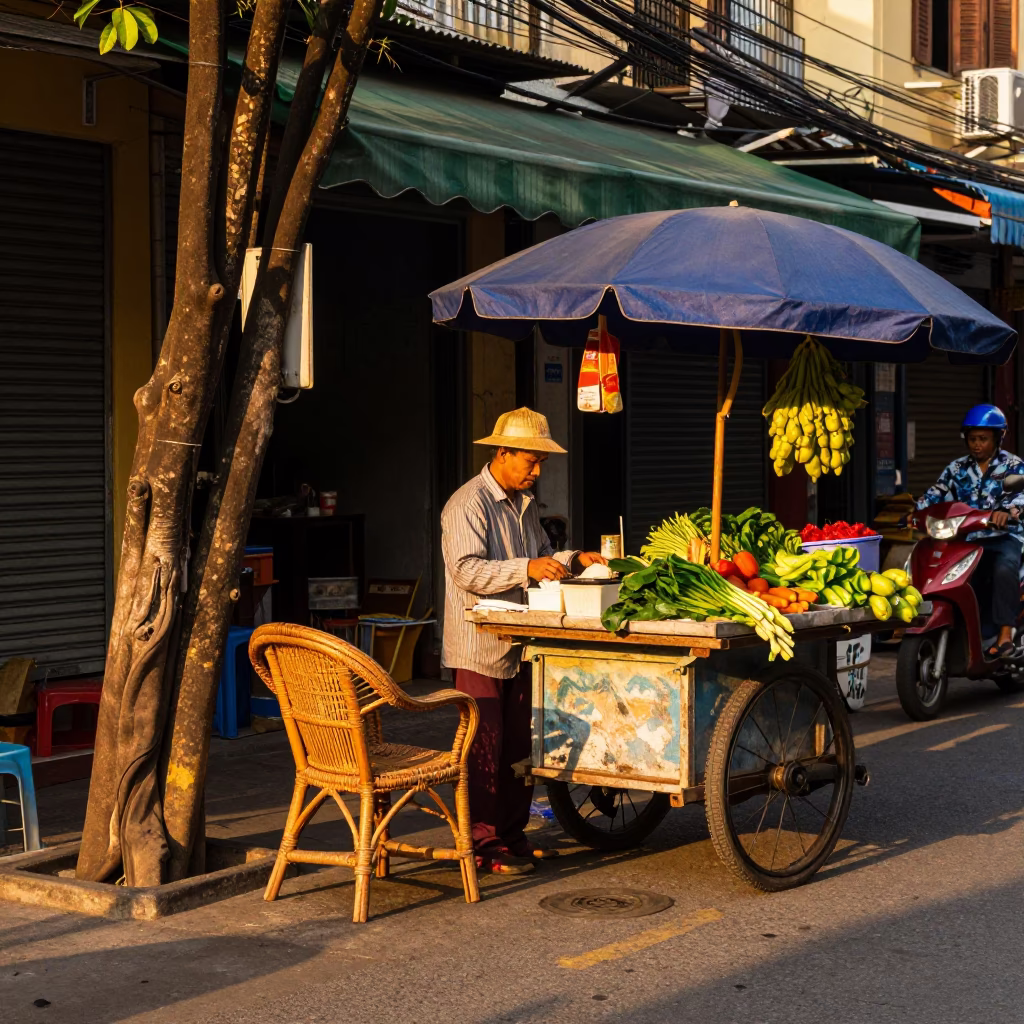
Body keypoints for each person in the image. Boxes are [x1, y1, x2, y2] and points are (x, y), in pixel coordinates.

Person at [441, 407, 607, 874]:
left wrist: (573, 560)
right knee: (483, 749)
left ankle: (512, 836)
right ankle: (480, 843)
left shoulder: (523, 504)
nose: (536, 472)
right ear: (502, 454)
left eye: (541, 465)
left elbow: (539, 555)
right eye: (530, 462)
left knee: (518, 748)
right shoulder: (466, 505)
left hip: (519, 642)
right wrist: (526, 569)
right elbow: (466, 570)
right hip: (478, 645)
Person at [916, 404, 1024, 659]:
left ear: (997, 438)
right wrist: (915, 511)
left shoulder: (1013, 466)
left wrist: (1009, 512)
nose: (977, 445)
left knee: (1003, 568)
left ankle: (1006, 634)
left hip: (1003, 537)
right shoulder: (957, 469)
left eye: (983, 439)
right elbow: (937, 493)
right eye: (972, 439)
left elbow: (1021, 496)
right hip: (967, 539)